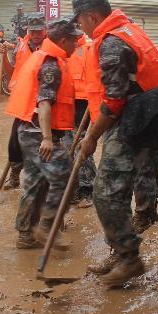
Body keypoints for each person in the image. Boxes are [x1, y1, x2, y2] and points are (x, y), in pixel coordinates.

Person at [74, 0, 158, 288]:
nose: (79, 26)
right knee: (128, 190)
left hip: (131, 122)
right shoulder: (128, 28)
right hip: (149, 114)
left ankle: (129, 258)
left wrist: (92, 137)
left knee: (106, 193)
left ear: (92, 15)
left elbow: (114, 100)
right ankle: (122, 252)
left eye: (80, 20)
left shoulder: (111, 43)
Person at [6, 18, 82, 249]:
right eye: (73, 40)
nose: (77, 44)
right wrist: (48, 138)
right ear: (62, 40)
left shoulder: (44, 56)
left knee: (36, 181)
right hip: (38, 133)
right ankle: (46, 227)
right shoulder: (50, 64)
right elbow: (45, 102)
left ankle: (27, 233)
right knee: (64, 176)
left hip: (30, 130)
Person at [4, 14, 47, 190]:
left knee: (45, 142)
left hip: (44, 101)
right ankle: (14, 175)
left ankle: (47, 181)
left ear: (45, 29)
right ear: (28, 30)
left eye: (39, 30)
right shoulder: (20, 47)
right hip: (23, 101)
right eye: (33, 30)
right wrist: (4, 56)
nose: (36, 34)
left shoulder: (51, 46)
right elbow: (11, 72)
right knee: (15, 142)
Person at [67, 34, 96, 207]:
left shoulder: (89, 49)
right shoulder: (63, 50)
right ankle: (74, 190)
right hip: (66, 104)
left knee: (82, 148)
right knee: (67, 149)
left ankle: (88, 190)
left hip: (83, 105)